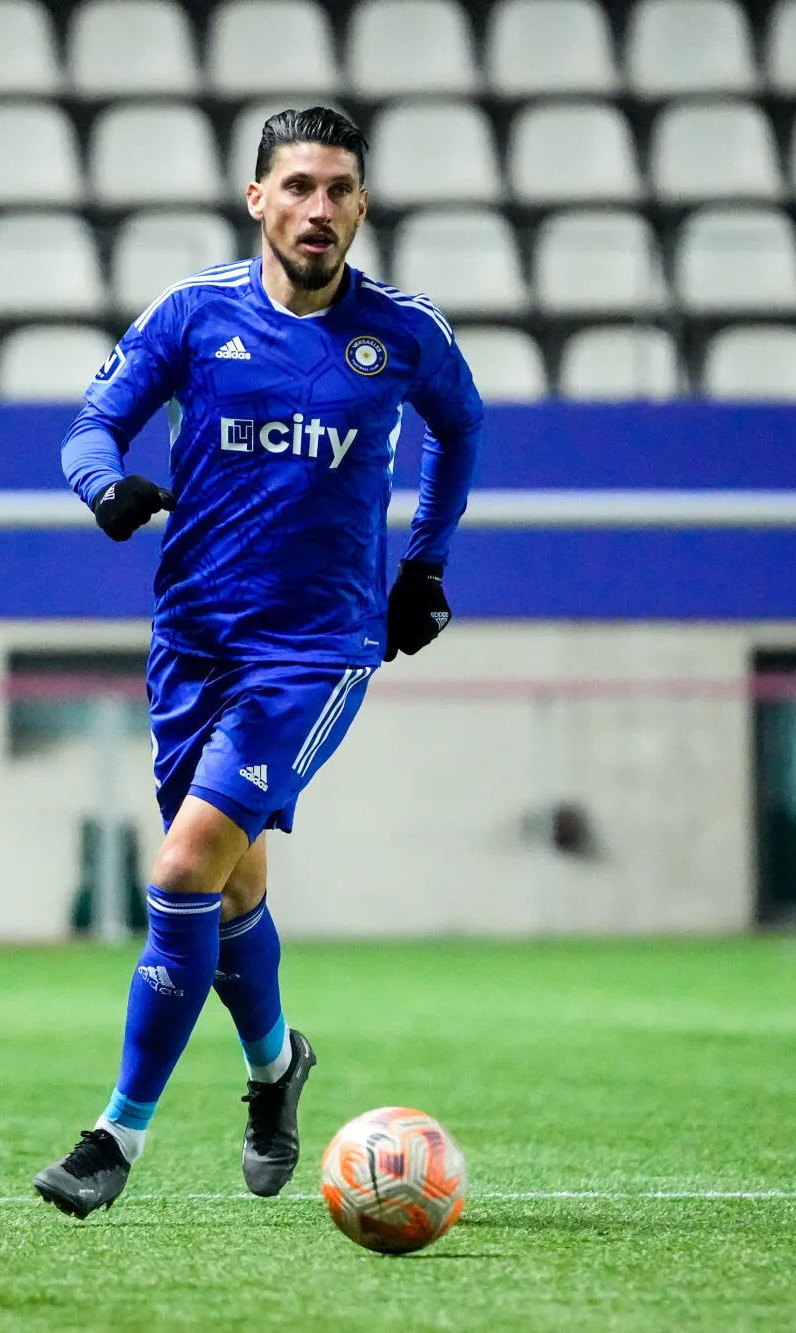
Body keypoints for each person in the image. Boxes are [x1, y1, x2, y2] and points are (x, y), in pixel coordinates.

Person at [34, 107, 483, 1217]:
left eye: (338, 188)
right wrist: (107, 489)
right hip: (191, 644)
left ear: (362, 205)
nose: (317, 208)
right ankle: (277, 1067)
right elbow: (91, 426)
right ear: (257, 199)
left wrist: (421, 564)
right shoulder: (194, 315)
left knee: (186, 862)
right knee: (233, 888)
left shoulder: (403, 333)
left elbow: (460, 427)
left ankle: (115, 1138)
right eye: (297, 187)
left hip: (315, 651)